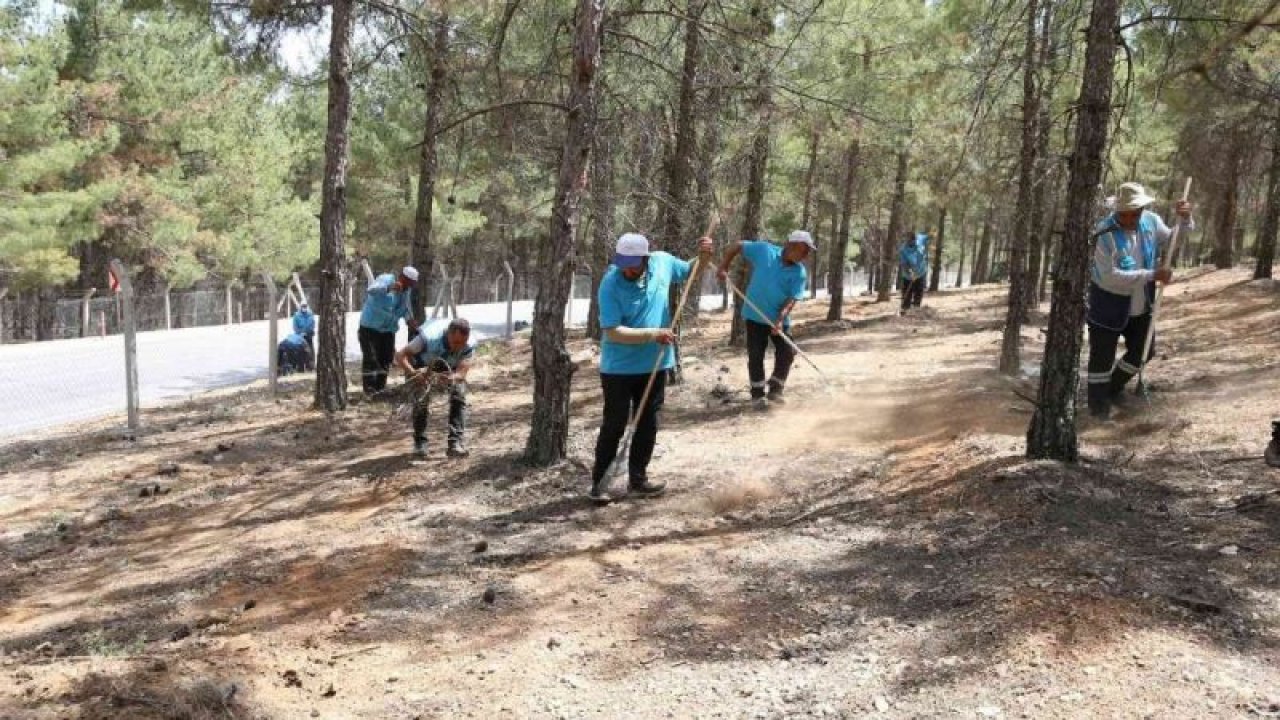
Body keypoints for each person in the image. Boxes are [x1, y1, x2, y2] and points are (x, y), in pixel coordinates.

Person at [590, 232, 714, 503]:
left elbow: (688, 272)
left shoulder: (662, 262)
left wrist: (703, 256)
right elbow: (613, 332)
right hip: (618, 368)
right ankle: (601, 483)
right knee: (615, 423)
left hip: (655, 363)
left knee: (647, 422)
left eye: (634, 263)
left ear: (646, 258)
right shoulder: (610, 284)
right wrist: (653, 334)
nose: (629, 269)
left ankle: (638, 479)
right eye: (624, 262)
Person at [1086, 182, 1194, 419]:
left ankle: (1113, 389)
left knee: (1144, 351)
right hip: (1107, 305)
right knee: (1101, 360)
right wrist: (1152, 275)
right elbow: (1109, 276)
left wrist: (1184, 220)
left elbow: (1172, 238)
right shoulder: (1103, 233)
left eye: (1134, 214)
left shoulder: (1151, 221)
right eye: (1123, 214)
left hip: (1142, 303)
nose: (1128, 219)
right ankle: (1097, 408)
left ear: (1142, 209)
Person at [716, 230, 813, 409]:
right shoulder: (764, 251)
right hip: (754, 316)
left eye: (808, 252)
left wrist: (779, 320)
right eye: (804, 250)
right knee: (755, 355)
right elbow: (737, 246)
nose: (806, 255)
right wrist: (724, 266)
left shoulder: (799, 273)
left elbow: (791, 299)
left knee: (787, 351)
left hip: (778, 319)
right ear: (791, 245)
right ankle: (758, 395)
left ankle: (775, 390)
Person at [393, 318, 474, 458]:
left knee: (459, 393)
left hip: (448, 367)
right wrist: (414, 373)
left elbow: (461, 373)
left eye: (463, 343)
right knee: (421, 399)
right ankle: (420, 445)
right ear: (448, 334)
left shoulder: (469, 345)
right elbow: (400, 355)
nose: (459, 347)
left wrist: (451, 378)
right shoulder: (428, 338)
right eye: (456, 342)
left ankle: (455, 443)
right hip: (418, 365)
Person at [358, 266, 419, 395]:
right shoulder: (385, 279)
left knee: (386, 359)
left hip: (388, 331)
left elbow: (405, 307)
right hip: (370, 328)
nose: (409, 287)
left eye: (412, 285)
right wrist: (389, 287)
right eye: (409, 283)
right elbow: (371, 290)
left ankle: (380, 389)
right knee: (371, 359)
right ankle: (369, 391)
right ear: (403, 277)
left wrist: (409, 320)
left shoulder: (406, 291)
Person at [898, 232, 929, 315]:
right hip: (908, 276)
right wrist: (911, 272)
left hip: (921, 272)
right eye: (909, 241)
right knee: (907, 292)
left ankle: (916, 309)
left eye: (913, 240)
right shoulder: (903, 249)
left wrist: (932, 235)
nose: (912, 242)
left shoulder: (920, 240)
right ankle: (905, 309)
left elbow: (928, 236)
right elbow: (904, 264)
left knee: (919, 291)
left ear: (915, 239)